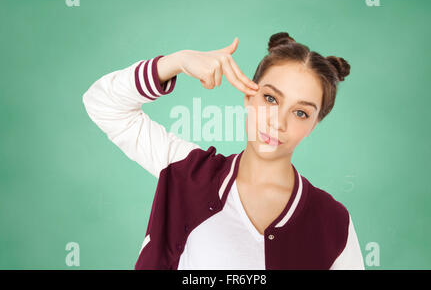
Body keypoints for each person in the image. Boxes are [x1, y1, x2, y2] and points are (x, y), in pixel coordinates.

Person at [82, 32, 365, 270]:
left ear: (313, 126)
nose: (278, 122)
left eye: (301, 113)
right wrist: (177, 62)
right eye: (270, 98)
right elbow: (102, 103)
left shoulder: (333, 223)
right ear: (247, 96)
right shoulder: (187, 171)